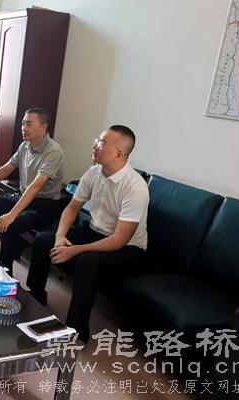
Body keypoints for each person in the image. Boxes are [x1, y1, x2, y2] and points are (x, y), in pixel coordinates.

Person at [26, 125, 149, 343]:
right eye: (97, 140)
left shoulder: (135, 188)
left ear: (119, 153)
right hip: (95, 232)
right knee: (45, 239)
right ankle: (36, 296)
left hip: (127, 248)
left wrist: (74, 250)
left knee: (86, 261)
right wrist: (60, 236)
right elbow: (73, 207)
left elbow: (119, 239)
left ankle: (77, 331)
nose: (95, 145)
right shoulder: (94, 172)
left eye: (102, 143)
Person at [0, 107, 64, 274]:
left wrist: (12, 214)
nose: (24, 128)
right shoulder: (25, 145)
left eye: (29, 124)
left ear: (43, 127)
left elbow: (36, 186)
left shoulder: (53, 151)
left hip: (43, 206)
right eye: (23, 124)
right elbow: (6, 169)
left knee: (10, 224)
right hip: (22, 197)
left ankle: (4, 274)